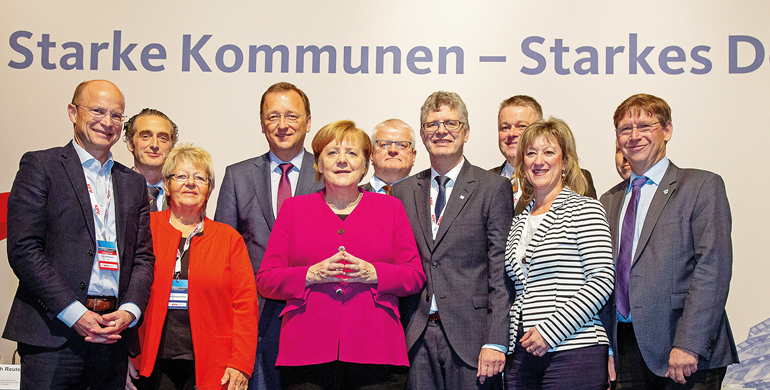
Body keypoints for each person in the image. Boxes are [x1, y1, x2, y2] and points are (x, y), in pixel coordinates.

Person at [3, 80, 155, 389]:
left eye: (117, 115)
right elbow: (24, 249)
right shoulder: (41, 166)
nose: (107, 122)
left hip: (112, 335)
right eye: (98, 111)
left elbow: (142, 257)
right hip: (53, 335)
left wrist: (129, 312)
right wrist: (75, 313)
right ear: (73, 112)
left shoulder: (132, 183)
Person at [257, 120, 425, 389]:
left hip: (377, 351)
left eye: (352, 153)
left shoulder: (391, 208)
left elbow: (414, 276)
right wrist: (309, 275)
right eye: (332, 153)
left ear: (365, 164)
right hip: (305, 351)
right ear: (318, 164)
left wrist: (375, 273)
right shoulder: (293, 210)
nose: (342, 160)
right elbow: (266, 280)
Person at [599, 93, 739, 389]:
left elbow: (712, 270)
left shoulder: (701, 186)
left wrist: (689, 344)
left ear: (667, 130)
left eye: (645, 126)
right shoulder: (609, 200)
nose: (634, 136)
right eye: (625, 129)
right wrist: (607, 348)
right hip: (624, 352)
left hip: (684, 352)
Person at [391, 91, 513, 389]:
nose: (441, 131)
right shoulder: (402, 191)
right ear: (422, 134)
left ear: (466, 132)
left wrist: (496, 339)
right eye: (432, 125)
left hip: (473, 339)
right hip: (416, 337)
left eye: (451, 123)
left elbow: (500, 271)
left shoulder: (493, 188)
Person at [215, 82, 325, 390]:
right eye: (273, 116)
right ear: (262, 123)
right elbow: (223, 254)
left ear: (308, 121)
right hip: (255, 318)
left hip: (314, 314)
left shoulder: (328, 174)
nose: (282, 125)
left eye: (291, 115)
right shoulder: (237, 176)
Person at [128, 144, 257, 390]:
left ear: (209, 190)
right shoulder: (144, 229)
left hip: (213, 366)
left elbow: (245, 306)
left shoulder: (228, 239)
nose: (190, 183)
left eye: (200, 178)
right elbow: (125, 292)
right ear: (166, 185)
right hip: (148, 362)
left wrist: (241, 362)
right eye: (181, 176)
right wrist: (122, 356)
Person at [503, 118, 615, 390]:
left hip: (574, 349)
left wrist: (549, 331)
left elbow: (601, 280)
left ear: (565, 162)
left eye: (549, 152)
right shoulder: (518, 220)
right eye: (530, 153)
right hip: (522, 353)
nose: (538, 161)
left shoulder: (585, 209)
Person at [490, 95, 597, 214]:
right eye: (505, 127)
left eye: (521, 126)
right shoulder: (484, 182)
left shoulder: (576, 179)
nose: (512, 133)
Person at [124, 108, 180, 211]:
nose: (154, 144)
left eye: (162, 138)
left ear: (172, 146)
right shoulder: (114, 189)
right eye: (146, 136)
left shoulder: (183, 194)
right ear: (130, 143)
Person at [362, 119, 417, 194]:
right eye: (384, 144)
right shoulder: (352, 196)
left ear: (413, 156)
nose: (393, 150)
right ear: (371, 154)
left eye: (402, 145)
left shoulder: (427, 195)